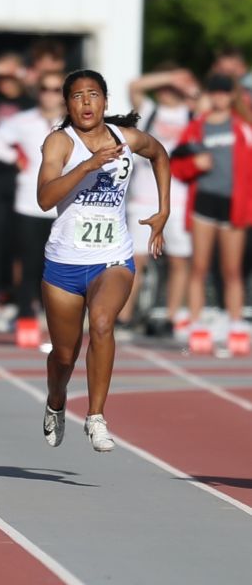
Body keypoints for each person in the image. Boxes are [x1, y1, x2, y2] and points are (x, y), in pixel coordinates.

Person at [38, 69, 169, 452]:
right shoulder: (60, 143)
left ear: (106, 101)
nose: (85, 103)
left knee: (101, 323)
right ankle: (56, 401)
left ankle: (95, 416)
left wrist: (164, 211)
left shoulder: (126, 139)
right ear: (68, 105)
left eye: (93, 94)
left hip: (113, 256)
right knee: (64, 356)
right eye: (77, 96)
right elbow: (45, 198)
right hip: (64, 263)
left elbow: (159, 155)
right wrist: (88, 165)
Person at [170, 74, 252, 339]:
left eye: (224, 93)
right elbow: (177, 165)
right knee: (199, 267)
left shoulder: (243, 127)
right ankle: (196, 323)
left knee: (232, 269)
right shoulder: (197, 127)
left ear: (231, 96)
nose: (219, 97)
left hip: (233, 205)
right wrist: (195, 164)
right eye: (215, 92)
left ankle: (236, 323)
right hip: (203, 202)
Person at [119, 66, 198, 334]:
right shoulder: (150, 111)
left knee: (179, 260)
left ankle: (171, 317)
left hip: (179, 198)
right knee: (135, 260)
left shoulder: (191, 113)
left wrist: (187, 85)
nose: (167, 90)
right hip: (143, 198)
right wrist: (169, 76)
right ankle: (125, 316)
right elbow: (135, 86)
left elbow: (211, 101)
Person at [0, 70, 65, 321]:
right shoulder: (24, 120)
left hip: (62, 202)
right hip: (29, 200)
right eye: (45, 89)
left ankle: (55, 314)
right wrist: (16, 160)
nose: (50, 96)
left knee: (58, 263)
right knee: (29, 261)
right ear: (37, 93)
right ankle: (26, 313)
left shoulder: (72, 123)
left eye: (55, 90)